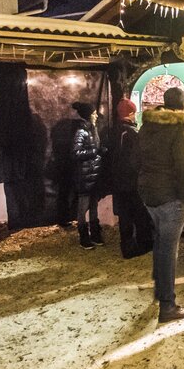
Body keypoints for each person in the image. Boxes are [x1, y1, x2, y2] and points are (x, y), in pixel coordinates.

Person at [138, 87, 184, 323]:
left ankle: (159, 291)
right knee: (168, 250)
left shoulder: (147, 126)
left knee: (160, 244)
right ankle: (167, 305)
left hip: (148, 193)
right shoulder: (179, 128)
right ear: (183, 106)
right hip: (170, 196)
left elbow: (137, 158)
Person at [110, 97, 154, 258]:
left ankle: (127, 247)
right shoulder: (131, 133)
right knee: (138, 213)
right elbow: (136, 159)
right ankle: (143, 244)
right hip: (131, 181)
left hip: (117, 181)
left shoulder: (113, 130)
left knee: (124, 215)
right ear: (130, 114)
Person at [71, 102, 105, 249]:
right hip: (84, 177)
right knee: (83, 207)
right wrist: (95, 152)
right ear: (89, 115)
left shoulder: (93, 130)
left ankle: (95, 234)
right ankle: (84, 237)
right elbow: (76, 153)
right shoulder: (81, 132)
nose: (96, 115)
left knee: (93, 205)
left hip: (93, 175)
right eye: (94, 113)